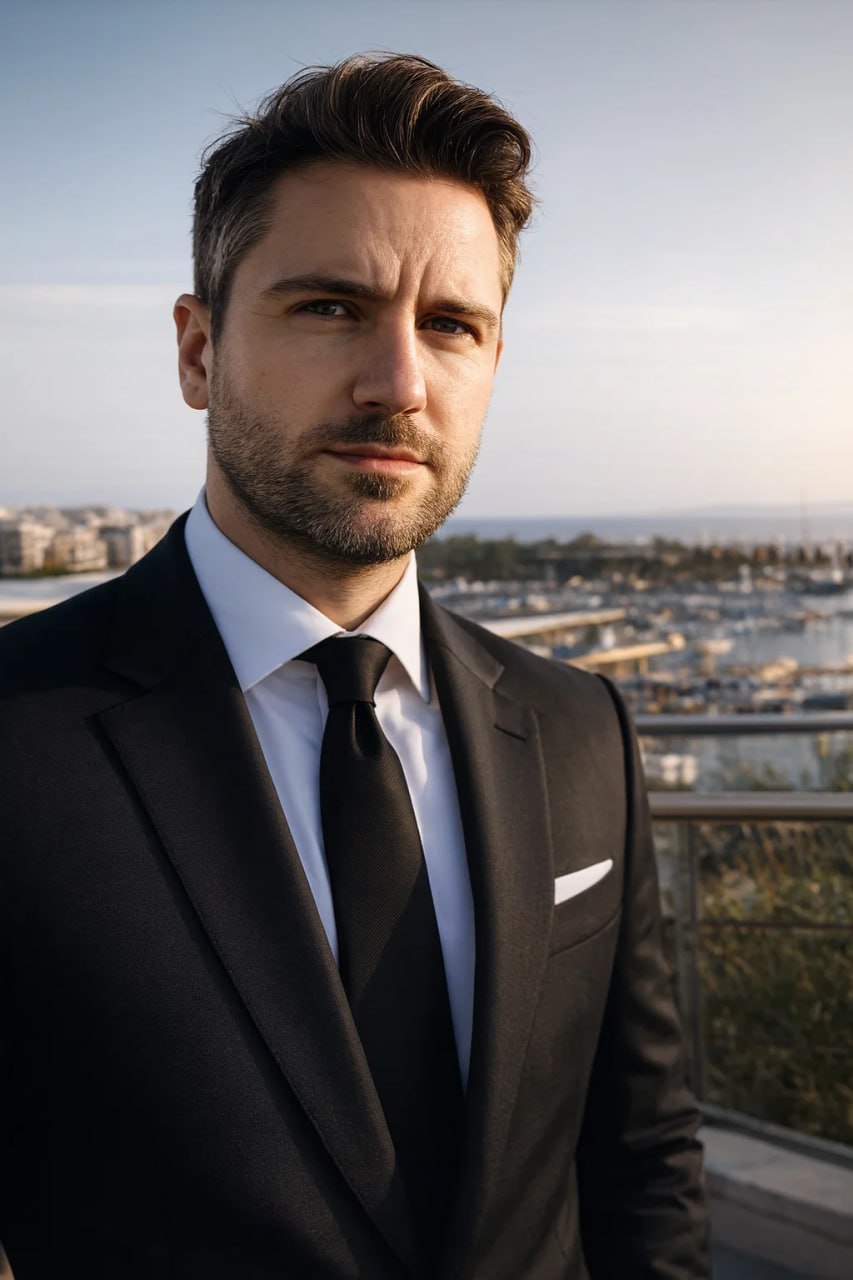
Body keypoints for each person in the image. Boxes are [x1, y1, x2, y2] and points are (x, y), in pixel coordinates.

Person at [0, 53, 710, 1280]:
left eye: (451, 325)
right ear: (197, 350)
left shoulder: (581, 728)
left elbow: (640, 1153)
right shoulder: (22, 735)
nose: (399, 384)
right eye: (330, 307)